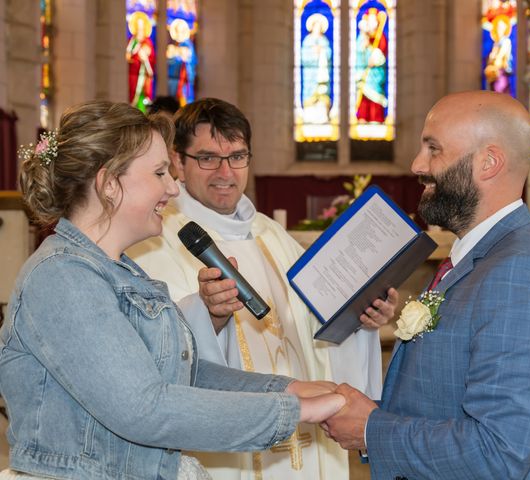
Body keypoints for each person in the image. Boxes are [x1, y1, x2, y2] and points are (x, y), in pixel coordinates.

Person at [0, 100, 345, 480]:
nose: (172, 186)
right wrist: (295, 412)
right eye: (160, 172)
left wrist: (288, 388)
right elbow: (144, 408)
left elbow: (183, 372)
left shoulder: (119, 270)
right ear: (109, 183)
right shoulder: (62, 277)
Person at [127, 97, 399, 480]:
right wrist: (209, 316)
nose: (225, 171)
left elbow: (320, 337)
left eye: (237, 156)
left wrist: (361, 319)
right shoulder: (156, 240)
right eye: (207, 158)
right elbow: (154, 356)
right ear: (178, 162)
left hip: (306, 441)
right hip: (227, 458)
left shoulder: (273, 235)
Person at [324, 90, 530, 479]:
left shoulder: (523, 277)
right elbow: (439, 400)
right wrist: (365, 412)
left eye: (433, 149)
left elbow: (499, 454)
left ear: (488, 162)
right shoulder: (476, 258)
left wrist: (371, 428)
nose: (416, 164)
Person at [355, 7, 388, 123]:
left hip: (375, 75)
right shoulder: (363, 37)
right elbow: (358, 53)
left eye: (374, 21)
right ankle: (362, 119)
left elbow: (382, 52)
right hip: (364, 73)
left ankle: (376, 120)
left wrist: (375, 58)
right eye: (369, 20)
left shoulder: (380, 37)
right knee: (364, 98)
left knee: (375, 98)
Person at [301, 13, 332, 124]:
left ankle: (323, 117)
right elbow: (303, 57)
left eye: (320, 26)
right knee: (311, 97)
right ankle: (309, 117)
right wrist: (314, 53)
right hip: (310, 76)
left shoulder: (324, 41)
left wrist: (322, 52)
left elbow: (329, 55)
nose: (317, 29)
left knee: (322, 95)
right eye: (316, 26)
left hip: (321, 73)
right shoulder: (307, 41)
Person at [126, 11, 156, 112]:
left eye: (142, 27)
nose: (140, 30)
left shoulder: (148, 42)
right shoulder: (132, 41)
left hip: (143, 74)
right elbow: (128, 56)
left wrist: (145, 59)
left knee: (142, 96)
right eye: (138, 27)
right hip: (133, 74)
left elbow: (151, 58)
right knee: (132, 96)